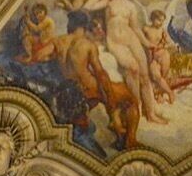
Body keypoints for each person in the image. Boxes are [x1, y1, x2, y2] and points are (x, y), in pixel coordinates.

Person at [56, 11, 138, 150]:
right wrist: (111, 102)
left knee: (109, 91)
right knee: (130, 100)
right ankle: (130, 141)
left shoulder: (58, 41)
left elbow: (38, 56)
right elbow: (100, 74)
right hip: (87, 90)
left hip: (69, 89)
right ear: (84, 26)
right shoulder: (87, 44)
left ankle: (117, 129)